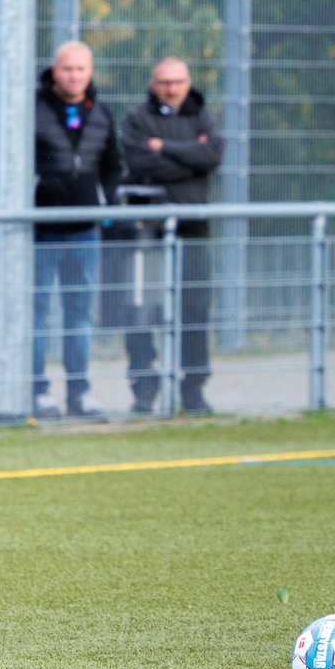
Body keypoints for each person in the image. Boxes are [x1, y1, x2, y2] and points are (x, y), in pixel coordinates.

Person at [121, 57, 225, 415]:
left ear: (188, 83)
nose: (172, 88)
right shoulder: (137, 118)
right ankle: (144, 387)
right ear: (153, 84)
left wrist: (163, 147)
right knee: (142, 310)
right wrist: (189, 158)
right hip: (147, 231)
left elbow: (212, 155)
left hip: (192, 228)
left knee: (194, 309)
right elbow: (138, 161)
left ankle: (193, 389)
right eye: (165, 82)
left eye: (178, 81)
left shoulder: (202, 116)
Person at [33, 41, 121, 421]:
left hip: (84, 231)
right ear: (54, 71)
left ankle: (79, 392)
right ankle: (37, 391)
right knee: (35, 311)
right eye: (67, 68)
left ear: (90, 72)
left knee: (80, 313)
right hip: (40, 231)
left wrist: (107, 207)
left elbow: (113, 167)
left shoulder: (100, 113)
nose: (73, 76)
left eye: (80, 69)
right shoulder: (32, 108)